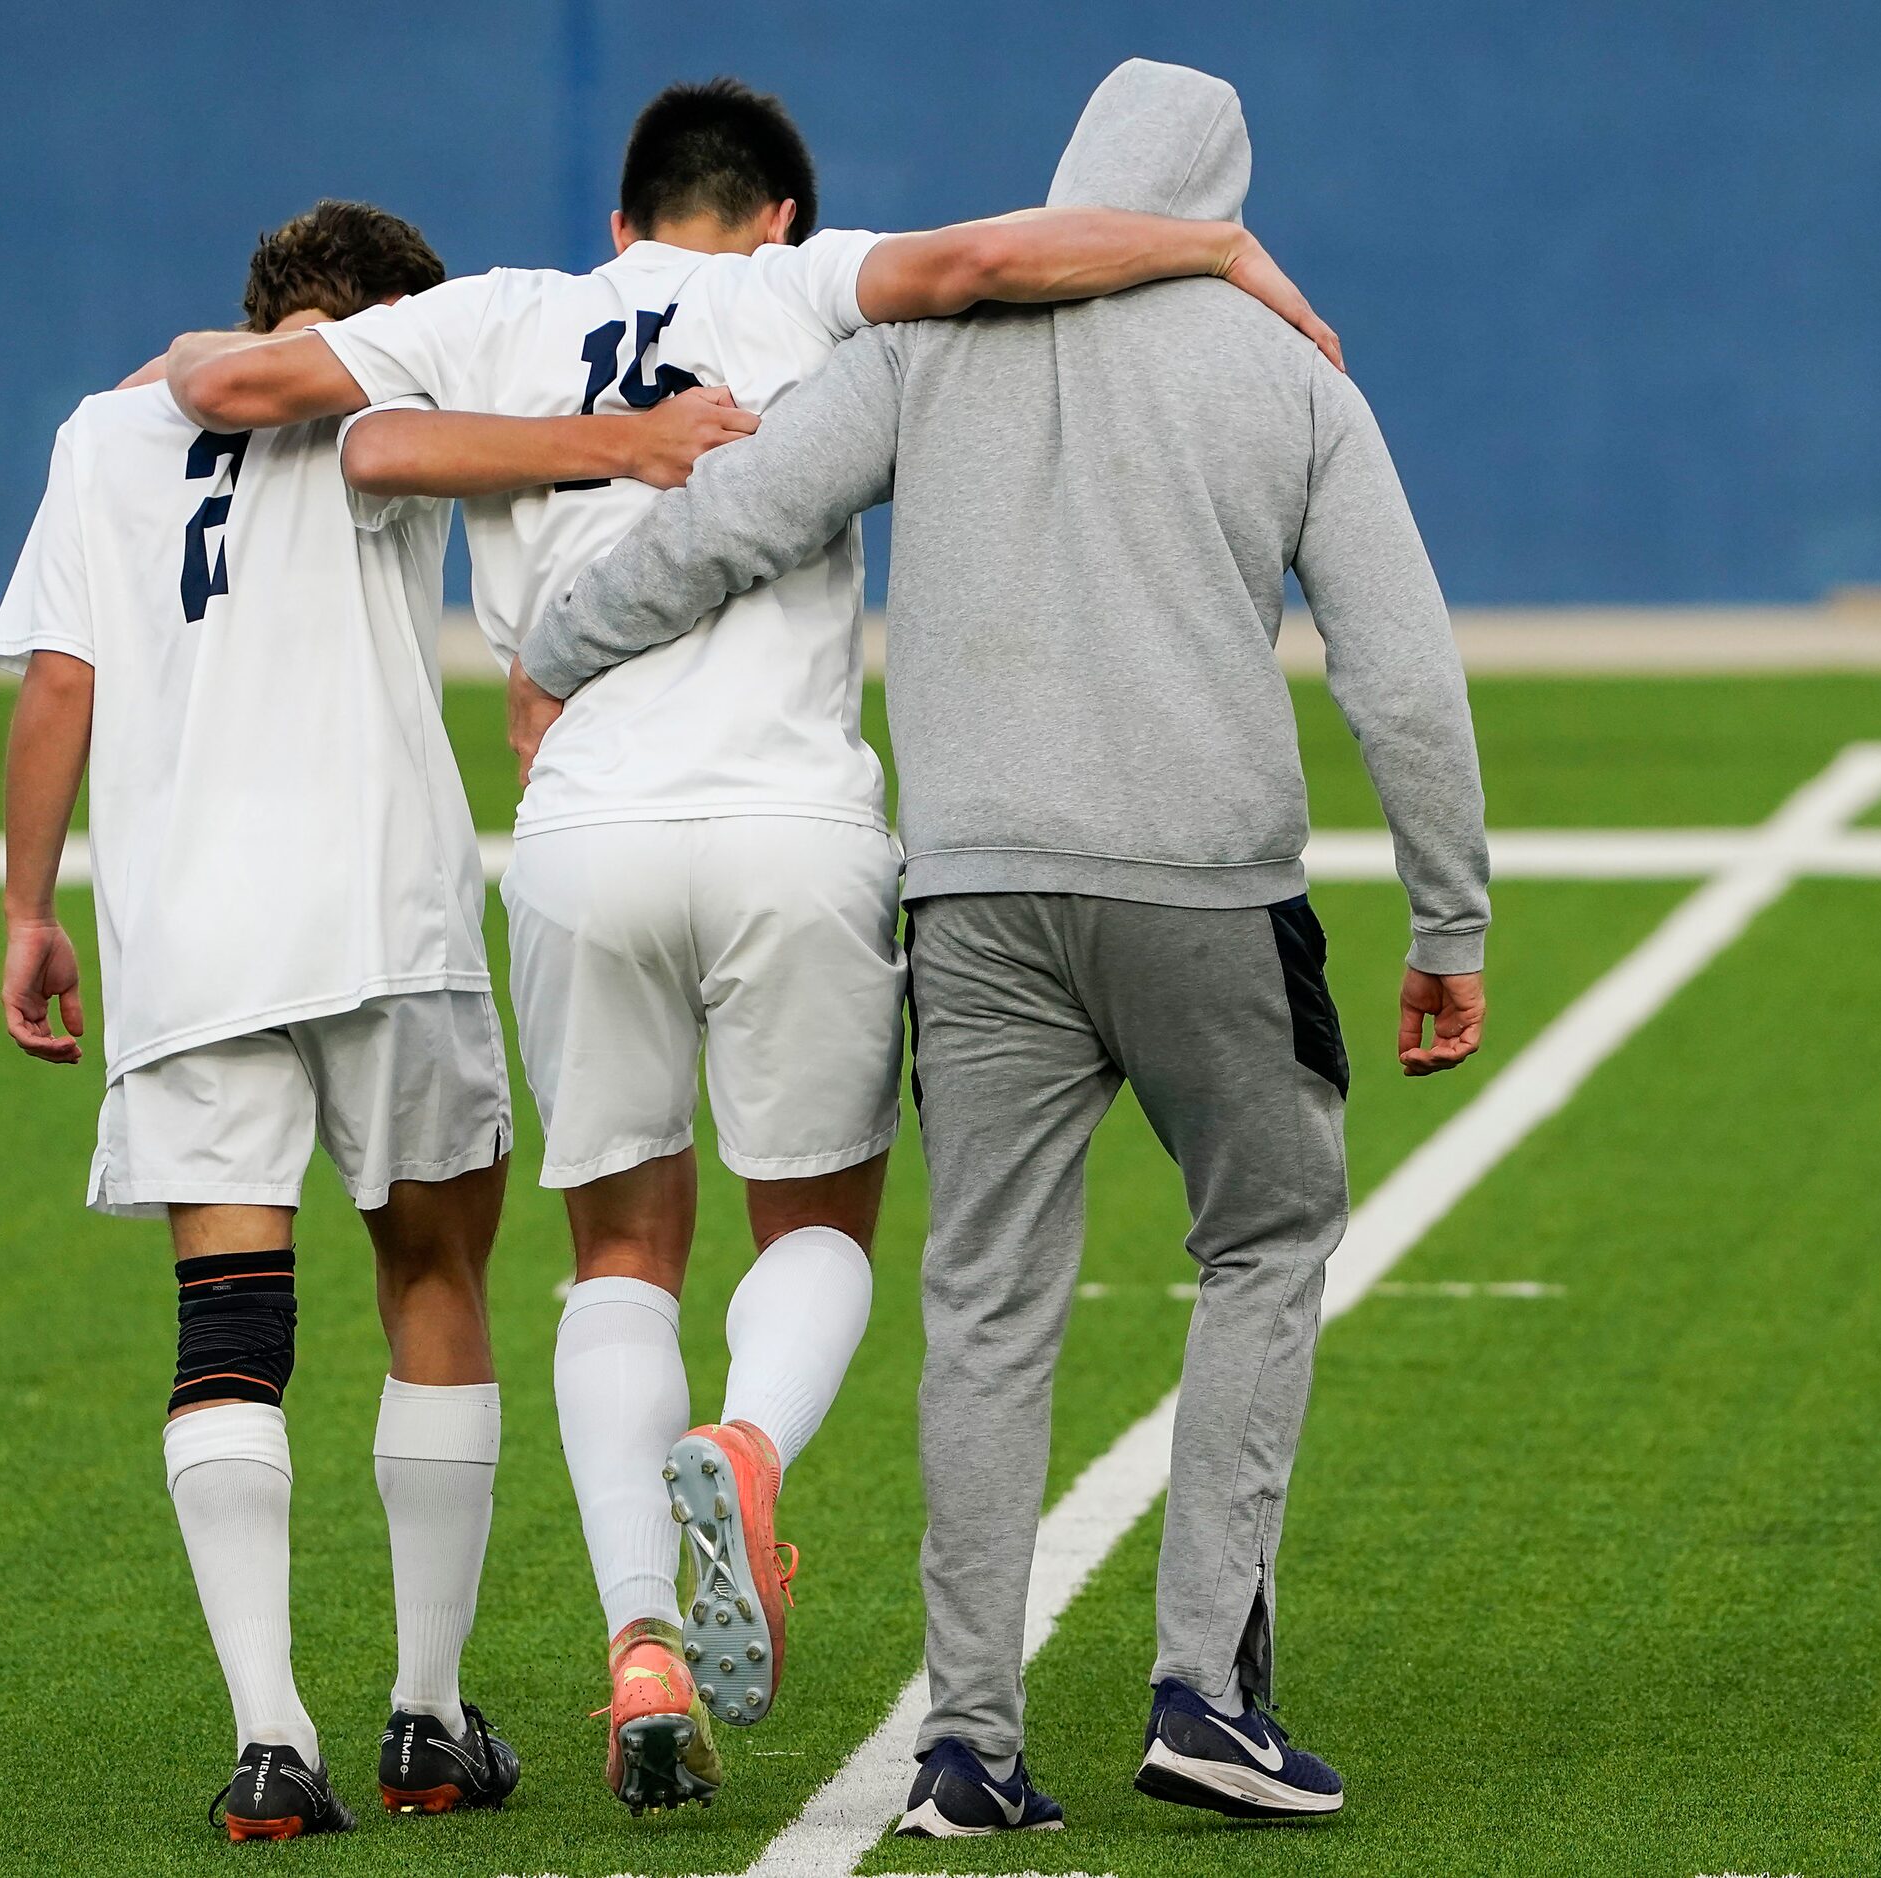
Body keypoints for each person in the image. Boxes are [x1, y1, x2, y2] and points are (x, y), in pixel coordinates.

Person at [162, 77, 1344, 1814]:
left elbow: (252, 386)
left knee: (619, 1253)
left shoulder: (505, 311)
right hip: (795, 828)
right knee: (818, 1225)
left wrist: (558, 439)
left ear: (622, 219)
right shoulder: (806, 287)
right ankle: (745, 1446)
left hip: (579, 833)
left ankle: (643, 1629)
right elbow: (1002, 259)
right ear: (778, 214)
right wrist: (1213, 239)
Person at [520, 59, 1491, 1839]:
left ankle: (965, 1740)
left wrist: (563, 640)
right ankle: (1205, 1688)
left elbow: (737, 516)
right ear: (1221, 200)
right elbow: (1403, 673)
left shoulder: (922, 346)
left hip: (971, 906)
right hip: (1211, 893)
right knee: (1268, 1240)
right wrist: (1449, 918)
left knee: (983, 1304)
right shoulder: (1288, 375)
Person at [0, 201, 742, 1840]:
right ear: (386, 319)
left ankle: (271, 1739)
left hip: (188, 948)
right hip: (386, 923)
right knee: (434, 1272)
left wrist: (30, 906)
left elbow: (60, 678)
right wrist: (633, 437)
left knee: (229, 1324)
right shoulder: (379, 414)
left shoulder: (105, 435)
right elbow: (461, 441)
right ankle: (422, 1715)